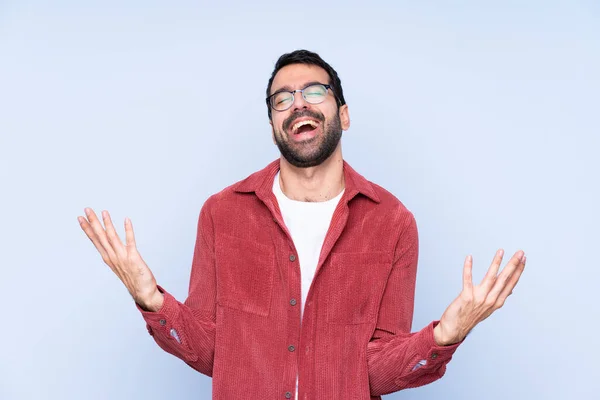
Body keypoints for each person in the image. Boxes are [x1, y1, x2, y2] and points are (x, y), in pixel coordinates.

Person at [78, 49, 526, 400]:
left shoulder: (393, 223)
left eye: (314, 91)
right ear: (273, 123)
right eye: (281, 98)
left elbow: (374, 370)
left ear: (343, 114)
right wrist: (150, 299)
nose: (297, 104)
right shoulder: (221, 213)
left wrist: (445, 335)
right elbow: (214, 352)